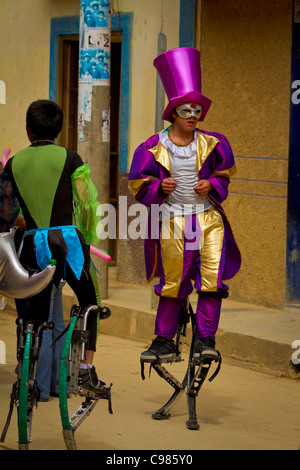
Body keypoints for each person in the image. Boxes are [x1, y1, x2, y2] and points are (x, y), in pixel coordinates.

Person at [128, 47, 241, 362]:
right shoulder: (151, 148)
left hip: (208, 220)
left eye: (196, 111)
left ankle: (206, 338)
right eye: (186, 111)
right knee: (173, 283)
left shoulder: (214, 143)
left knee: (211, 282)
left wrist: (213, 185)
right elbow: (139, 185)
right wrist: (158, 187)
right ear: (173, 113)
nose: (193, 116)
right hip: (173, 221)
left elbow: (223, 177)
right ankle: (164, 339)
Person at [5, 99, 109, 395]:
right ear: (59, 129)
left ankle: (30, 377)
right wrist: (85, 239)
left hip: (32, 245)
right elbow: (88, 205)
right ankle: (87, 370)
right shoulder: (70, 158)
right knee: (90, 301)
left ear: (28, 131)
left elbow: (8, 211)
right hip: (68, 242)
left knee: (34, 315)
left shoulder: (13, 165)